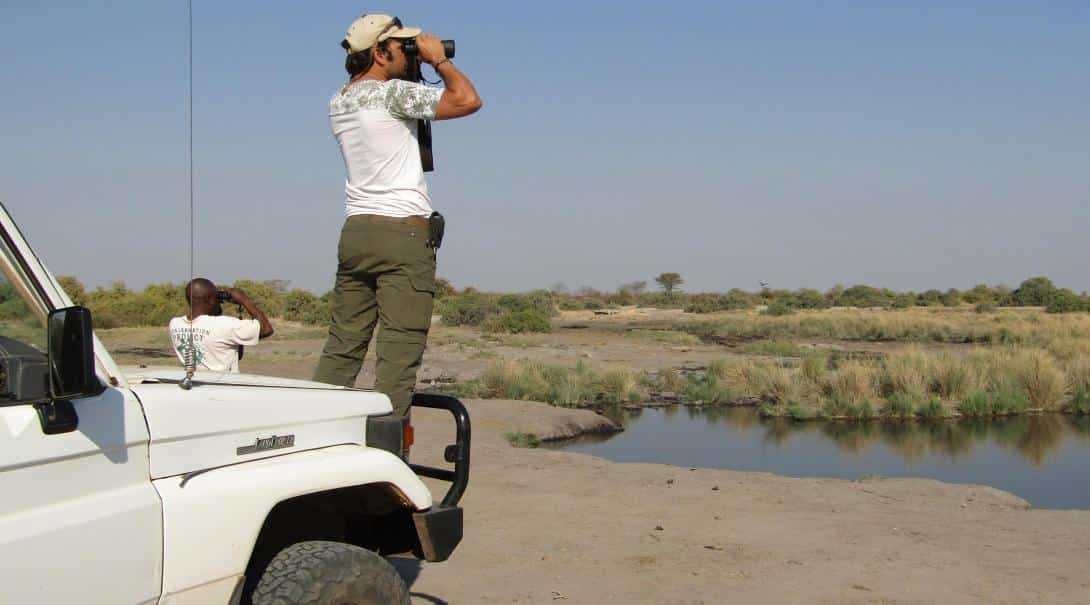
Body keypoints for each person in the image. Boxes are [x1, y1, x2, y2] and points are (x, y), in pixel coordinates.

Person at [313, 14, 482, 419]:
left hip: (357, 232)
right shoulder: (392, 96)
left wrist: (414, 66)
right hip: (402, 235)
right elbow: (468, 100)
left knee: (343, 345)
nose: (411, 53)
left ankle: (313, 435)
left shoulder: (340, 98)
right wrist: (439, 61)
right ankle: (386, 453)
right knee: (398, 352)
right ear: (379, 52)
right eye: (403, 47)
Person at [169, 278, 274, 373]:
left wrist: (214, 300)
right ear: (209, 300)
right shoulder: (225, 325)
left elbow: (209, 326)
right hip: (223, 386)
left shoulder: (174, 324)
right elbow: (266, 329)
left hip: (196, 383)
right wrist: (244, 299)